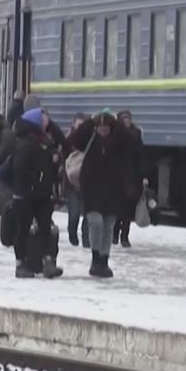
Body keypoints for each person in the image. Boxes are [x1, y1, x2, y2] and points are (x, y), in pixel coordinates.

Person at [67, 111, 127, 278]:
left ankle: (104, 260)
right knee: (96, 223)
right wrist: (90, 121)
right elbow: (73, 140)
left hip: (112, 191)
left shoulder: (118, 141)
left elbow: (130, 140)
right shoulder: (89, 139)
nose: (103, 129)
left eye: (106, 126)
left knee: (108, 226)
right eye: (100, 126)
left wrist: (116, 122)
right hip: (92, 190)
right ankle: (95, 259)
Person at [10, 108, 63, 279]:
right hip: (26, 194)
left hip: (41, 193)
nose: (47, 120)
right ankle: (21, 264)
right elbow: (21, 168)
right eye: (43, 118)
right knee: (23, 229)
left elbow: (46, 164)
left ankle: (48, 262)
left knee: (45, 228)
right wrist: (38, 180)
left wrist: (54, 159)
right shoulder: (26, 143)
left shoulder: (43, 140)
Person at [114, 110, 147, 248]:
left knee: (127, 208)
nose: (126, 121)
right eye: (124, 118)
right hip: (117, 176)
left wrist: (144, 175)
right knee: (118, 208)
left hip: (132, 177)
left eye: (128, 118)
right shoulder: (115, 135)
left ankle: (124, 236)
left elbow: (141, 156)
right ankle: (115, 233)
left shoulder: (135, 135)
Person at [64, 113, 90, 248]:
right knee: (74, 215)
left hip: (88, 184)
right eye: (79, 125)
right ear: (73, 124)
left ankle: (87, 242)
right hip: (72, 183)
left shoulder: (91, 141)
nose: (81, 128)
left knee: (88, 215)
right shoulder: (68, 139)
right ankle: (72, 235)